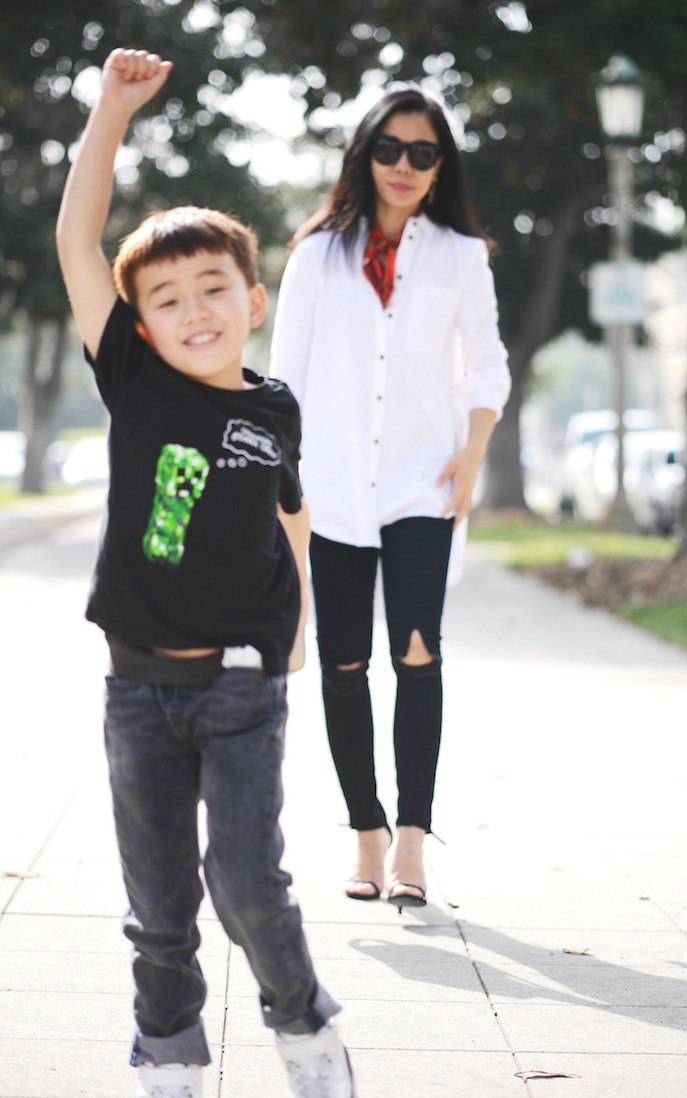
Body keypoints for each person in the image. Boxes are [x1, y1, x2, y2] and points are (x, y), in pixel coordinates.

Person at [56, 48, 356, 1098]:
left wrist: (304, 625)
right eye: (168, 298)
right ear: (139, 323)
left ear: (253, 299)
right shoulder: (134, 380)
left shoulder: (273, 407)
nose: (193, 311)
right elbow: (75, 239)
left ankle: (304, 1026)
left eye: (213, 289)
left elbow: (290, 509)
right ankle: (170, 1055)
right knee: (161, 905)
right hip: (138, 688)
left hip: (240, 685)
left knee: (247, 884)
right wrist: (110, 114)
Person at [270, 87, 511, 911]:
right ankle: (365, 833)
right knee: (342, 665)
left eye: (424, 152)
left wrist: (472, 455)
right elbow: (285, 384)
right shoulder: (314, 257)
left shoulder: (460, 256)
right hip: (331, 491)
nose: (404, 166)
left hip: (420, 487)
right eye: (390, 149)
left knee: (417, 654)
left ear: (442, 168)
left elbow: (487, 366)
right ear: (364, 155)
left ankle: (413, 838)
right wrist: (282, 495)